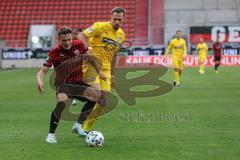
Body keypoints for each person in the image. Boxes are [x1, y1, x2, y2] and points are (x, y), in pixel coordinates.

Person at [37, 27, 105, 144]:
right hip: (63, 84)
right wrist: (40, 80)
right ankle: (51, 134)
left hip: (78, 82)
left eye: (69, 39)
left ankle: (78, 126)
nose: (67, 43)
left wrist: (99, 71)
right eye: (64, 40)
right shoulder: (55, 52)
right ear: (58, 40)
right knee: (62, 102)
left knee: (98, 97)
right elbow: (43, 71)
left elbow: (89, 57)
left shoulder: (78, 45)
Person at [77, 7, 126, 132]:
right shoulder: (99, 26)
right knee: (97, 94)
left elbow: (114, 55)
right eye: (114, 19)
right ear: (111, 17)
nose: (116, 22)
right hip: (92, 65)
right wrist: (87, 48)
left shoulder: (121, 35)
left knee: (103, 103)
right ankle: (78, 124)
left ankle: (86, 129)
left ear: (123, 20)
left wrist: (113, 75)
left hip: (106, 70)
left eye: (119, 20)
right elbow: (81, 35)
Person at [71, 27, 83, 105]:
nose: (74, 35)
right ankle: (73, 98)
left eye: (76, 34)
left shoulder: (83, 43)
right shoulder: (70, 43)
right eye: (73, 33)